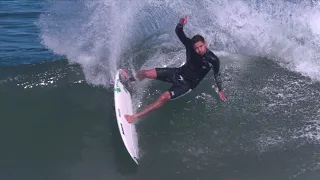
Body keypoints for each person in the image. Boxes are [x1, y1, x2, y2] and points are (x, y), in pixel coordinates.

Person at [124, 16, 227, 123]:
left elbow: (217, 74)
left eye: (200, 46)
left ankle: (134, 117)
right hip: (178, 72)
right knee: (146, 73)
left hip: (187, 84)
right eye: (196, 48)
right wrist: (181, 23)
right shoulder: (190, 45)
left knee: (163, 98)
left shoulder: (213, 59)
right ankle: (129, 80)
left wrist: (220, 90)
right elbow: (178, 32)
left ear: (204, 43)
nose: (198, 50)